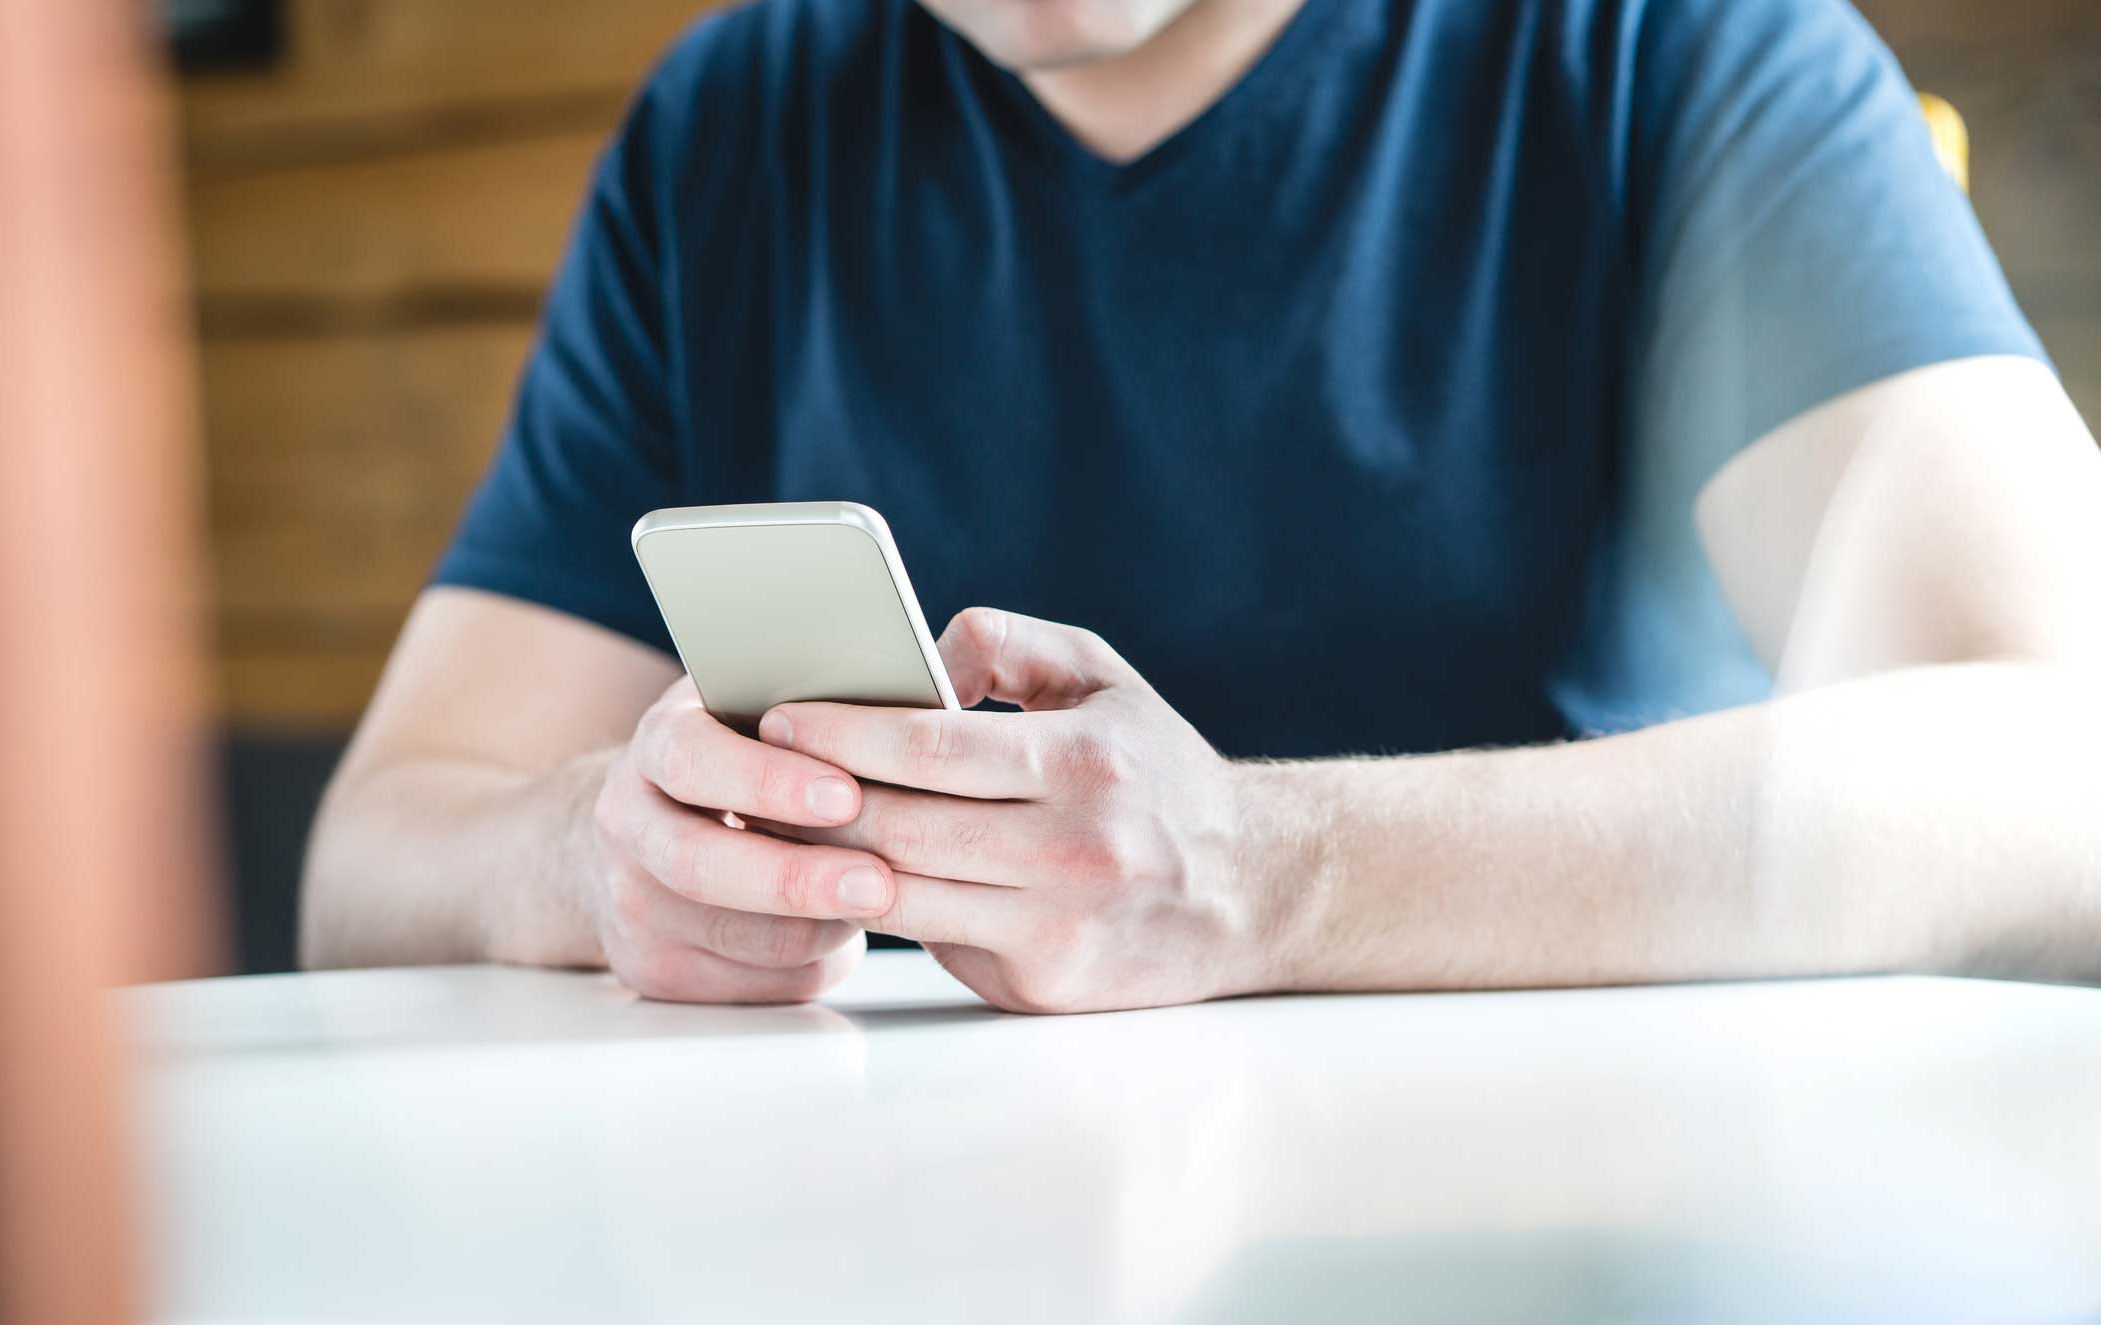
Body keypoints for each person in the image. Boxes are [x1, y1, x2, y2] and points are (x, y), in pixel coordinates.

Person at [301, 0, 2101, 1012]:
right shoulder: (736, 126)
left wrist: (1268, 873)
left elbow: (2056, 773)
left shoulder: (1667, 56)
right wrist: (607, 857)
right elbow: (376, 851)